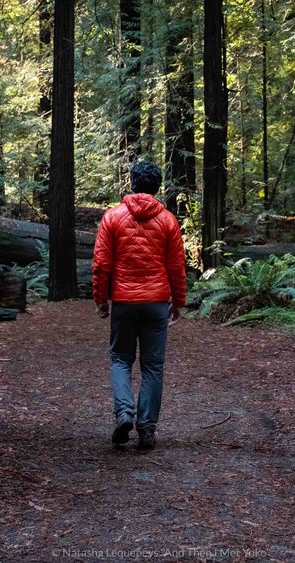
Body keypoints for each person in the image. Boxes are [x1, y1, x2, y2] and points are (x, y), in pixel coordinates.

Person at [92, 162, 187, 450]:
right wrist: (178, 302)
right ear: (157, 187)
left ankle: (124, 413)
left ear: (132, 183)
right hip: (156, 303)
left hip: (123, 302)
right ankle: (146, 429)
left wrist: (101, 299)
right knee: (153, 366)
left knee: (120, 360)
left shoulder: (113, 218)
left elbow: (101, 264)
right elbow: (177, 267)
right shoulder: (168, 220)